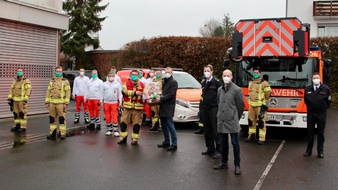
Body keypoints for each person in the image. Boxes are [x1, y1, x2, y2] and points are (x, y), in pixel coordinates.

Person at [213, 69, 244, 175]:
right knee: (223, 143)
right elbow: (218, 103)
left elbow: (241, 106)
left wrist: (235, 117)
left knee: (235, 143)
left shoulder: (237, 90)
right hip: (222, 120)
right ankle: (224, 162)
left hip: (232, 121)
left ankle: (237, 165)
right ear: (222, 76)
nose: (226, 77)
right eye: (224, 75)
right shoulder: (219, 90)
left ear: (231, 77)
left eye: (228, 75)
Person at [303, 72, 331, 158]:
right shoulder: (307, 89)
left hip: (321, 114)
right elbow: (306, 100)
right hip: (311, 113)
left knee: (320, 133)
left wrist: (323, 108)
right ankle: (308, 151)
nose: (316, 79)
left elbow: (328, 101)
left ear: (320, 79)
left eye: (317, 78)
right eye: (314, 78)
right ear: (312, 79)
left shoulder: (326, 89)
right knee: (310, 133)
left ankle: (320, 152)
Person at [200, 64, 223, 158]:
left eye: (208, 71)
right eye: (205, 71)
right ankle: (210, 148)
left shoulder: (217, 82)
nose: (206, 72)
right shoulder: (203, 82)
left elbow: (221, 95)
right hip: (205, 108)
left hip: (214, 108)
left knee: (215, 130)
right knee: (207, 130)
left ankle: (219, 150)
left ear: (212, 71)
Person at [118, 70, 145, 145]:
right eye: (133, 74)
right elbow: (124, 92)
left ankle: (135, 139)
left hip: (138, 108)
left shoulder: (142, 84)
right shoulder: (126, 83)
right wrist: (135, 93)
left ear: (138, 75)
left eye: (136, 74)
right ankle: (123, 138)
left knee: (136, 125)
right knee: (123, 123)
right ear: (130, 75)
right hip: (127, 108)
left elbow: (145, 93)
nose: (134, 76)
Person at [246, 67, 271, 145]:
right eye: (254, 72)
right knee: (251, 121)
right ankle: (251, 136)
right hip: (251, 105)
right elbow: (249, 92)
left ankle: (261, 138)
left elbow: (268, 94)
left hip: (260, 106)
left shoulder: (264, 83)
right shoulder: (250, 82)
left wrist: (263, 101)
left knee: (261, 122)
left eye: (257, 72)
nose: (255, 74)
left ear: (260, 73)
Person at [45, 66, 71, 140]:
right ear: (55, 72)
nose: (58, 73)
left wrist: (66, 103)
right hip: (52, 103)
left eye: (60, 71)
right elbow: (48, 91)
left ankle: (63, 133)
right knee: (52, 119)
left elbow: (68, 92)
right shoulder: (52, 81)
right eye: (57, 71)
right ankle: (52, 133)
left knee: (61, 119)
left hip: (61, 103)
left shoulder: (65, 81)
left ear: (62, 72)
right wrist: (47, 102)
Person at [156, 67, 178, 151]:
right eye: (165, 72)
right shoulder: (164, 81)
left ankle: (174, 144)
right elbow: (161, 91)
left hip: (169, 106)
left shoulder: (174, 82)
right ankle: (166, 141)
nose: (167, 73)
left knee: (170, 125)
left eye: (168, 72)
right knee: (164, 125)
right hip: (163, 106)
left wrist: (161, 99)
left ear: (171, 73)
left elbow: (171, 94)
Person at [8, 67, 32, 132]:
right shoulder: (15, 81)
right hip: (15, 100)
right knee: (15, 114)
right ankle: (17, 125)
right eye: (18, 71)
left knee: (22, 114)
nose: (19, 72)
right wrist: (9, 98)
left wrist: (25, 99)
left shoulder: (26, 81)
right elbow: (11, 89)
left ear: (23, 72)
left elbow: (28, 90)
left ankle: (23, 126)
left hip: (22, 101)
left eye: (20, 71)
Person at [100, 72, 122, 137]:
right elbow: (101, 93)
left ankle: (116, 130)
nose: (111, 77)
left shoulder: (117, 84)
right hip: (106, 102)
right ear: (107, 76)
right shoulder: (104, 84)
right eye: (109, 76)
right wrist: (101, 101)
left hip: (114, 102)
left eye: (112, 76)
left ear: (114, 76)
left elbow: (120, 93)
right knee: (107, 116)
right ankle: (109, 130)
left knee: (114, 116)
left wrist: (120, 102)